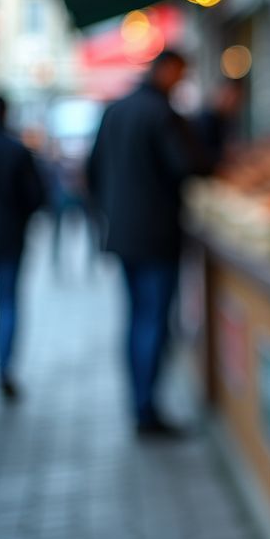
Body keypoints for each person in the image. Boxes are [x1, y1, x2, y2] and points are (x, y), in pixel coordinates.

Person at [87, 50, 202, 436]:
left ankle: (139, 404)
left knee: (137, 319)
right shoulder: (162, 114)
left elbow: (92, 170)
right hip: (156, 234)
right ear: (167, 70)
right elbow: (184, 167)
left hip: (123, 234)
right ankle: (146, 410)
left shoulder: (115, 110)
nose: (181, 81)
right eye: (180, 73)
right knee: (152, 321)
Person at [0, 95, 46, 400]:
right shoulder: (15, 150)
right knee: (9, 303)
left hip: (11, 237)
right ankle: (6, 369)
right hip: (10, 238)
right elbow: (36, 197)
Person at [191, 78, 243, 173]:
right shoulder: (206, 120)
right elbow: (204, 157)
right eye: (230, 96)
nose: (233, 102)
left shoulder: (225, 118)